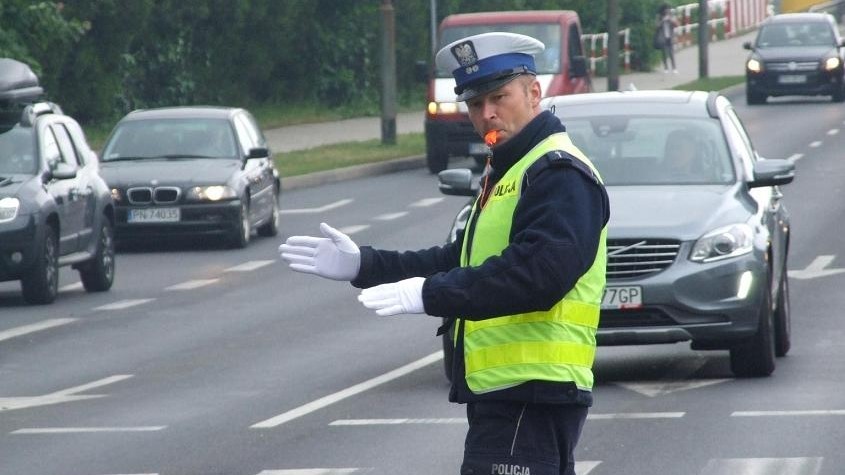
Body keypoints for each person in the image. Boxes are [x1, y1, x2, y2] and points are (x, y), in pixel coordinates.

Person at [279, 32, 609, 475]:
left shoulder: (556, 171)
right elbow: (458, 261)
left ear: (534, 93)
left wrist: (428, 295)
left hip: (534, 391)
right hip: (511, 393)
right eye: (475, 103)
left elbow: (539, 275)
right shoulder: (510, 169)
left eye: (499, 97)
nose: (486, 113)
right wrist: (366, 264)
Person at [657, 3, 679, 73]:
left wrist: (670, 20)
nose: (667, 11)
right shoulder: (659, 17)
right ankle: (666, 68)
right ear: (663, 10)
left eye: (668, 9)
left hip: (670, 37)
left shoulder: (672, 16)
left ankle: (674, 68)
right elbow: (656, 26)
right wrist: (662, 20)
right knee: (664, 53)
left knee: (671, 53)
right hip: (663, 37)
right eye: (666, 10)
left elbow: (677, 24)